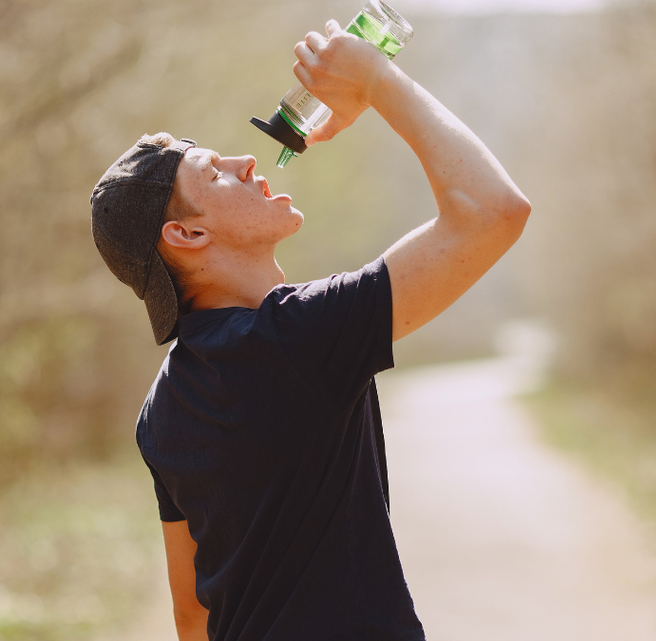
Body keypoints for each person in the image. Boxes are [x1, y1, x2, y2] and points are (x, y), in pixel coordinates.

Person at [90, 18, 529, 641]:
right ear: (186, 236)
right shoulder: (295, 339)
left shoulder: (162, 406)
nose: (245, 160)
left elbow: (193, 614)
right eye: (213, 172)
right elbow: (494, 211)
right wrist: (377, 80)